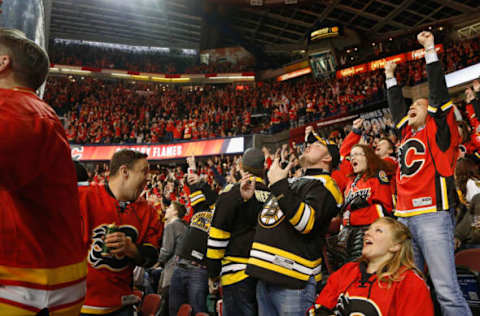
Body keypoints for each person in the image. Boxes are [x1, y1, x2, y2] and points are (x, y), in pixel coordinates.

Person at [0, 28, 87, 315]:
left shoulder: (17, 110)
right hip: (36, 279)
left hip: (25, 285)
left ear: (3, 63)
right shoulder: (30, 111)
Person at [385, 31, 471, 315]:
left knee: (445, 290)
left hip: (433, 215)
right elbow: (396, 105)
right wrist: (389, 77)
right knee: (411, 288)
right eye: (412, 104)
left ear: (433, 113)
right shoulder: (405, 133)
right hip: (404, 218)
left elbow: (438, 93)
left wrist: (430, 51)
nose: (412, 106)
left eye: (419, 105)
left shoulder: (439, 132)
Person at [245, 126, 343, 316]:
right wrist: (252, 199)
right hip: (265, 274)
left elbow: (306, 223)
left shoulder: (327, 186)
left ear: (328, 158)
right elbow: (270, 219)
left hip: (292, 277)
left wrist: (279, 185)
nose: (307, 146)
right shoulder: (293, 181)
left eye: (315, 144)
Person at [79, 150, 163, 316]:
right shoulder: (84, 198)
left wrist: (131, 249)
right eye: (144, 172)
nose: (148, 178)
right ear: (125, 171)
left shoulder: (149, 212)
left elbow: (151, 256)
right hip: (80, 304)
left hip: (120, 306)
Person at [308, 218, 434, 316]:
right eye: (368, 229)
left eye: (378, 230)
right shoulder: (346, 272)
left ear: (396, 246)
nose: (367, 233)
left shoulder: (410, 283)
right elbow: (321, 309)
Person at [206, 148, 270, 316]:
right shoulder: (273, 194)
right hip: (265, 273)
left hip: (237, 275)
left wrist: (213, 273)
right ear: (264, 168)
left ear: (241, 166)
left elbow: (217, 236)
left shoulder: (231, 193)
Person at [169, 157, 217, 316]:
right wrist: (192, 167)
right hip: (180, 263)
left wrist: (203, 182)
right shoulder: (199, 208)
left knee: (198, 311)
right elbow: (195, 186)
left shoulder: (220, 215)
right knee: (175, 311)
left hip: (199, 269)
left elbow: (210, 195)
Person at [335, 143, 393, 267]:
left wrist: (360, 212)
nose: (353, 158)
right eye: (351, 156)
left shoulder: (377, 176)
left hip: (366, 230)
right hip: (346, 231)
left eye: (357, 154)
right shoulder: (350, 181)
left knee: (361, 267)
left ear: (367, 157)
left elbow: (385, 209)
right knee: (345, 268)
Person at [155, 201, 187, 316]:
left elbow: (166, 250)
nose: (166, 209)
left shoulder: (172, 226)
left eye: (170, 207)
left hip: (171, 272)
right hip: (181, 271)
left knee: (164, 307)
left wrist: (156, 262)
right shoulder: (184, 226)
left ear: (175, 212)